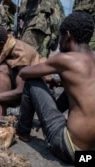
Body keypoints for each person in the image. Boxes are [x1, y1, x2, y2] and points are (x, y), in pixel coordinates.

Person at [16, 12, 95, 164]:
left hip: (71, 150)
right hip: (89, 157)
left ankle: (22, 131)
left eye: (59, 37)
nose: (59, 43)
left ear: (68, 35)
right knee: (70, 91)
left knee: (33, 82)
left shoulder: (64, 59)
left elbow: (24, 73)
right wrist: (60, 81)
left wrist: (49, 77)